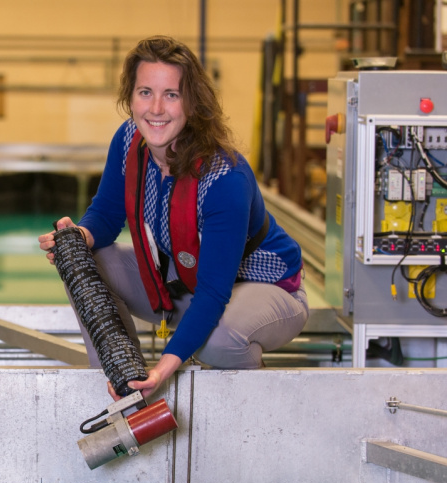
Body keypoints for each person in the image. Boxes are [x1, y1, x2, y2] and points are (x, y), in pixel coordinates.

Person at [38, 36, 308, 401]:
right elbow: (106, 214)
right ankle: (121, 384)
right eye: (145, 92)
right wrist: (79, 236)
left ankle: (252, 396)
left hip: (268, 289)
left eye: (172, 94)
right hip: (188, 282)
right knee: (85, 262)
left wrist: (164, 369)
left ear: (192, 103)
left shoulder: (225, 178)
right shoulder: (129, 141)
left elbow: (214, 292)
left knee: (219, 340)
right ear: (130, 97)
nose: (156, 109)